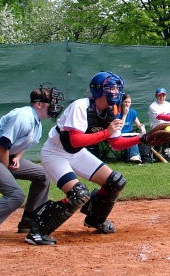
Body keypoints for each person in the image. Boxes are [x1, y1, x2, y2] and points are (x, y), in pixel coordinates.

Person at [25, 71, 145, 245]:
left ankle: (95, 219)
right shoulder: (80, 106)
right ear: (98, 91)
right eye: (111, 88)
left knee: (115, 181)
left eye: (117, 88)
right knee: (79, 194)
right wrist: (107, 132)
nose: (115, 92)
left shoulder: (112, 111)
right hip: (55, 154)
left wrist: (142, 139)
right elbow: (75, 139)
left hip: (77, 153)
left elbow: (116, 143)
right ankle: (36, 230)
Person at [0, 85, 64, 244]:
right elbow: (2, 145)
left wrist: (16, 157)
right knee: (15, 195)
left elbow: (19, 145)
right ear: (38, 104)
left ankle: (30, 221)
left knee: (42, 175)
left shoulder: (37, 124)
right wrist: (6, 165)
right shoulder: (23, 116)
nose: (55, 105)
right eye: (52, 101)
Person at [118, 93, 146, 164]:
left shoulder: (132, 112)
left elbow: (139, 124)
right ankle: (134, 156)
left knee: (141, 136)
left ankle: (141, 156)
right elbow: (119, 128)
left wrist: (142, 128)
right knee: (132, 136)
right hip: (120, 134)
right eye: (125, 102)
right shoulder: (118, 112)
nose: (127, 104)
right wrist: (124, 114)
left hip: (129, 133)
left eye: (129, 102)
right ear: (122, 102)